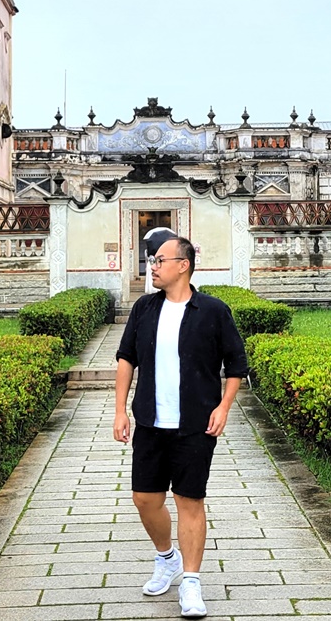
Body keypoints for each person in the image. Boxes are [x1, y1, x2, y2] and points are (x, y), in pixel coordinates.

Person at [114, 235, 248, 619]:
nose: (152, 267)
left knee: (189, 501)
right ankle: (166, 557)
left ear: (183, 265)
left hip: (195, 424)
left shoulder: (213, 311)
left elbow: (236, 365)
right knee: (145, 499)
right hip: (151, 422)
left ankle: (191, 581)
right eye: (151, 261)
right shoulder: (144, 308)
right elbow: (126, 358)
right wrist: (120, 411)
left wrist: (224, 407)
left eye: (159, 260)